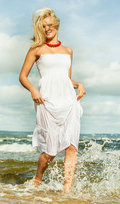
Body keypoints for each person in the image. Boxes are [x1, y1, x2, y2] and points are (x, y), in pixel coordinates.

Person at [19, 8, 86, 193]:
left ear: (57, 25)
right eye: (44, 26)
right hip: (46, 102)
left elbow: (66, 79)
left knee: (71, 147)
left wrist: (79, 84)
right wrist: (33, 90)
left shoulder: (68, 51)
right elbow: (22, 76)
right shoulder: (36, 49)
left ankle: (67, 191)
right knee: (50, 152)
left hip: (69, 102)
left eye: (50, 25)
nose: (48, 29)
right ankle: (38, 178)